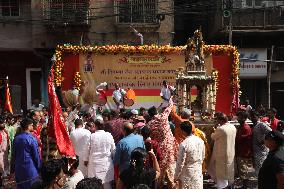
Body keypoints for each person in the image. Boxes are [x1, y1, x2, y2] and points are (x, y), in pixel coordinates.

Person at [147, 97, 178, 188]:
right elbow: (170, 107)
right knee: (171, 171)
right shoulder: (163, 117)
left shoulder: (149, 124)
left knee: (160, 172)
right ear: (156, 112)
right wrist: (171, 99)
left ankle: (159, 185)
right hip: (169, 148)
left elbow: (150, 137)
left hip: (159, 150)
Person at [208, 112, 236, 189]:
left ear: (220, 120)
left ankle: (222, 186)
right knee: (228, 170)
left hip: (221, 154)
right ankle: (228, 184)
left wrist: (214, 129)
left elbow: (213, 136)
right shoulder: (232, 127)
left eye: (217, 120)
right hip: (230, 152)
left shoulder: (221, 129)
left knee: (221, 172)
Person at [174, 121, 205, 189]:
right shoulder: (200, 141)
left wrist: (175, 177)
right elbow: (203, 157)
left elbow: (180, 163)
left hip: (187, 173)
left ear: (183, 131)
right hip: (197, 170)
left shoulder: (184, 144)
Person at [86, 119, 115, 189]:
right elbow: (113, 149)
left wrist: (85, 160)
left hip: (94, 164)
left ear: (95, 126)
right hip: (106, 163)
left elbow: (87, 150)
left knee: (94, 184)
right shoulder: (109, 135)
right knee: (106, 183)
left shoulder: (92, 136)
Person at [12, 118, 41, 189]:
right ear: (28, 126)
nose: (32, 127)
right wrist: (39, 168)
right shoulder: (32, 139)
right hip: (30, 169)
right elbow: (36, 156)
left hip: (18, 168)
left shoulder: (16, 138)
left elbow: (14, 155)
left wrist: (13, 168)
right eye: (31, 125)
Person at [235, 111, 253, 188]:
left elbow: (239, 139)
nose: (238, 119)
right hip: (241, 151)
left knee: (244, 170)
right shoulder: (242, 126)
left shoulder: (246, 128)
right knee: (242, 170)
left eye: (240, 117)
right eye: (238, 117)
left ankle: (245, 186)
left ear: (244, 118)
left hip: (244, 152)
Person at [0, 116, 9, 183]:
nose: (3, 124)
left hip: (5, 153)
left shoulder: (5, 131)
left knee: (5, 165)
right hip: (0, 153)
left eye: (3, 122)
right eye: (1, 123)